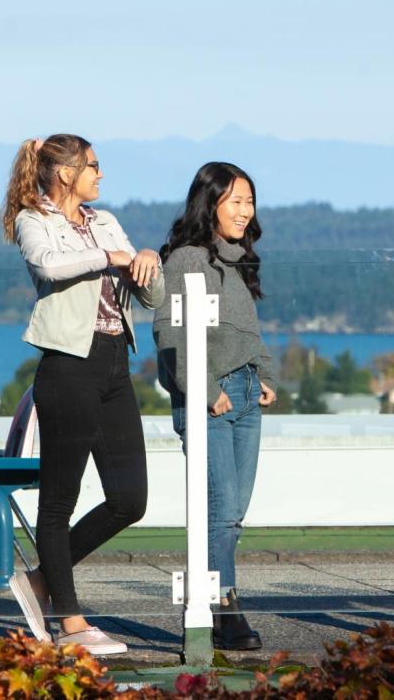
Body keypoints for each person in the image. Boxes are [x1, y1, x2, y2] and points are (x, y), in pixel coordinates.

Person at [1, 133, 165, 656]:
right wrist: (109, 256)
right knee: (59, 501)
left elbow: (149, 293)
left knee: (128, 499)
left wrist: (145, 261)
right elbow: (49, 267)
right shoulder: (34, 220)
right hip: (68, 365)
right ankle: (71, 623)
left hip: (116, 364)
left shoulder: (105, 220)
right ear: (65, 173)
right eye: (92, 166)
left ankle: (40, 580)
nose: (100, 175)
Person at [153, 162, 277, 651]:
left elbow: (248, 332)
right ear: (211, 204)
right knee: (220, 511)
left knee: (233, 513)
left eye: (249, 202)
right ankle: (220, 609)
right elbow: (172, 332)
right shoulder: (187, 259)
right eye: (235, 202)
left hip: (244, 394)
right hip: (212, 398)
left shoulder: (237, 258)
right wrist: (204, 389)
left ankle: (215, 603)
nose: (245, 212)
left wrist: (264, 375)